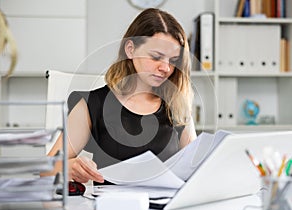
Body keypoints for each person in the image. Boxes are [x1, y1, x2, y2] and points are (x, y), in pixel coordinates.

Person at [43, 8, 197, 184]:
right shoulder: (91, 105)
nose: (166, 68)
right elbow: (46, 169)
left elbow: (194, 170)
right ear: (130, 50)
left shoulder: (177, 107)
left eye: (173, 60)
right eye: (156, 57)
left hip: (165, 209)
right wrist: (68, 167)